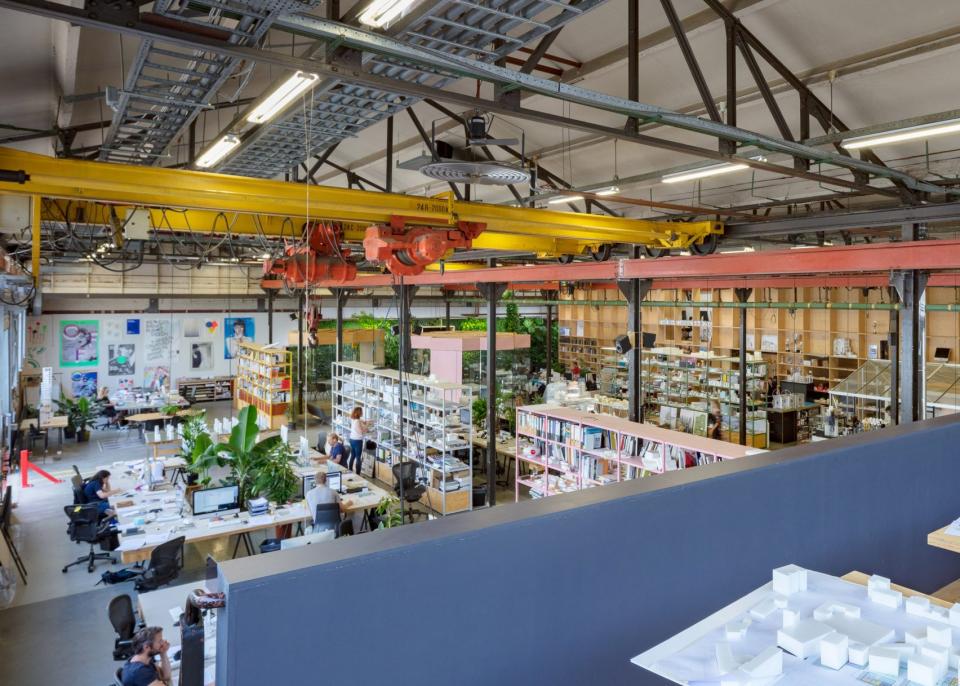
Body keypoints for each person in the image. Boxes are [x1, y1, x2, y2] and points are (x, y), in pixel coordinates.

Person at [348, 407, 369, 474]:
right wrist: (367, 426)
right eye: (361, 412)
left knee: (353, 455)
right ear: (359, 413)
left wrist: (363, 422)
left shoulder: (354, 419)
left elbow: (359, 421)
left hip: (352, 439)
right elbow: (361, 432)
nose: (362, 413)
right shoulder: (357, 422)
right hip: (357, 441)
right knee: (358, 457)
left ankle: (350, 469)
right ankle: (358, 473)